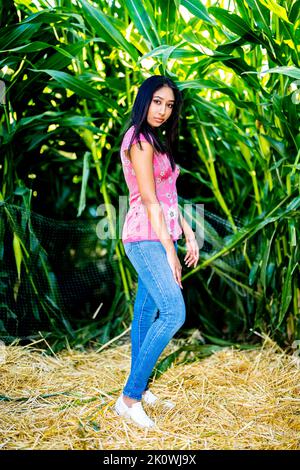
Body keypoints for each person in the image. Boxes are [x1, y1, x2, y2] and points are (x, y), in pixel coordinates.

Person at [115, 75, 199, 428]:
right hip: (144, 236)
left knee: (145, 313)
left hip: (160, 233)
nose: (163, 110)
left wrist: (189, 233)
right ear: (144, 100)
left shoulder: (157, 142)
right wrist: (170, 249)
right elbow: (149, 199)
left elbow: (168, 197)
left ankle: (141, 386)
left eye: (169, 104)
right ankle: (129, 398)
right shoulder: (138, 140)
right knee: (174, 312)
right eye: (157, 102)